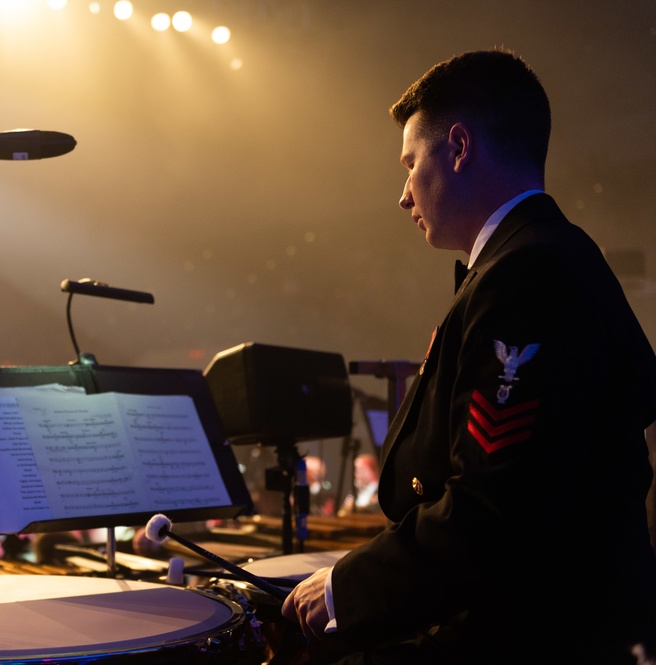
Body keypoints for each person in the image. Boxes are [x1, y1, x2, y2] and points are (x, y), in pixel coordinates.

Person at [281, 49, 656, 664]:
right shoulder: (544, 255)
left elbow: (495, 511)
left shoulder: (527, 276)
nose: (403, 195)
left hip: (534, 637)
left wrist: (347, 588)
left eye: (409, 164)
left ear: (457, 147)